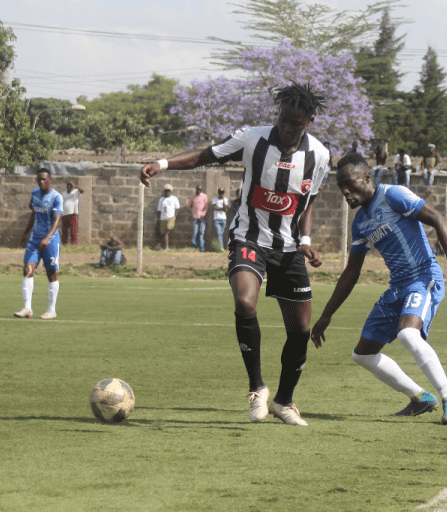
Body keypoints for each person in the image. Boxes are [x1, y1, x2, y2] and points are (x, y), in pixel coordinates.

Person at [140, 82, 329, 426]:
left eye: (296, 124)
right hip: (248, 238)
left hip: (288, 249)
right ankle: (257, 388)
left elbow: (309, 202)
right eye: (284, 120)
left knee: (300, 331)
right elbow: (206, 155)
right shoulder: (253, 138)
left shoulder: (319, 155)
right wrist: (162, 163)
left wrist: (305, 238)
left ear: (309, 122)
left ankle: (284, 402)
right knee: (245, 303)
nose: (287, 129)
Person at [311, 153, 447, 423]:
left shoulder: (393, 195)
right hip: (398, 287)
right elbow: (351, 272)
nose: (345, 191)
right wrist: (326, 315)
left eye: (349, 183)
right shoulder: (360, 223)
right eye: (340, 186)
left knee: (408, 336)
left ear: (366, 177)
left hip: (424, 276)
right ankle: (420, 397)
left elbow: (439, 219)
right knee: (362, 355)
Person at [14, 169, 63, 320]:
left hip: (51, 241)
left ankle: (51, 310)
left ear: (50, 180)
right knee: (28, 269)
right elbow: (34, 213)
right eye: (39, 179)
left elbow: (57, 219)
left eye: (44, 179)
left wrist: (47, 238)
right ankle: (27, 308)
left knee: (51, 273)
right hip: (35, 239)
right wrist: (25, 233)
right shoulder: (35, 194)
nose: (41, 182)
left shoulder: (56, 197)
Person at [157, 184, 180, 251]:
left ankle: (167, 246)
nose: (167, 192)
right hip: (163, 218)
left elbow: (177, 208)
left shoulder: (174, 198)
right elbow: (159, 210)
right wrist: (158, 219)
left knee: (168, 229)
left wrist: (174, 216)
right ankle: (165, 246)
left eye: (168, 191)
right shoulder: (161, 199)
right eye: (166, 191)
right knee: (163, 232)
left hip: (171, 217)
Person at [60, 181, 84, 245]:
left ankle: (74, 243)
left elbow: (82, 190)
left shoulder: (76, 192)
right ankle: (64, 243)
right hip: (64, 214)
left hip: (73, 213)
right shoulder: (64, 193)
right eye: (68, 185)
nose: (69, 186)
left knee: (73, 230)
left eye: (70, 185)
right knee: (64, 230)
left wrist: (75, 186)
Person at [188, 185, 209, 252]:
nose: (198, 191)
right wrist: (193, 212)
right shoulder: (192, 196)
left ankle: (201, 247)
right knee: (195, 232)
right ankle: (194, 246)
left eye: (200, 190)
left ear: (201, 190)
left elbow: (206, 207)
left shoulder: (204, 196)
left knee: (201, 232)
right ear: (196, 189)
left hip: (202, 217)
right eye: (197, 189)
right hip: (195, 217)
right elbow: (189, 206)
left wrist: (202, 215)